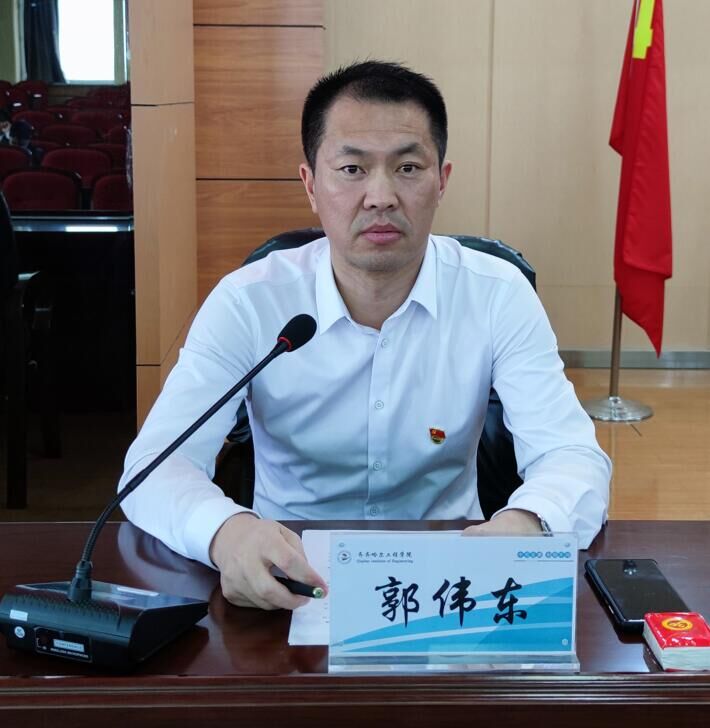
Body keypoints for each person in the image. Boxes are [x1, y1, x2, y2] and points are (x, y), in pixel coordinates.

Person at [119, 61, 611, 612]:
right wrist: (227, 533)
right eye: (352, 168)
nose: (381, 196)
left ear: (442, 181)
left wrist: (527, 523)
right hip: (287, 583)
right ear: (311, 184)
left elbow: (571, 454)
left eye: (408, 167)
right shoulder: (249, 301)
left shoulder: (497, 294)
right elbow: (154, 467)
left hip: (450, 586)